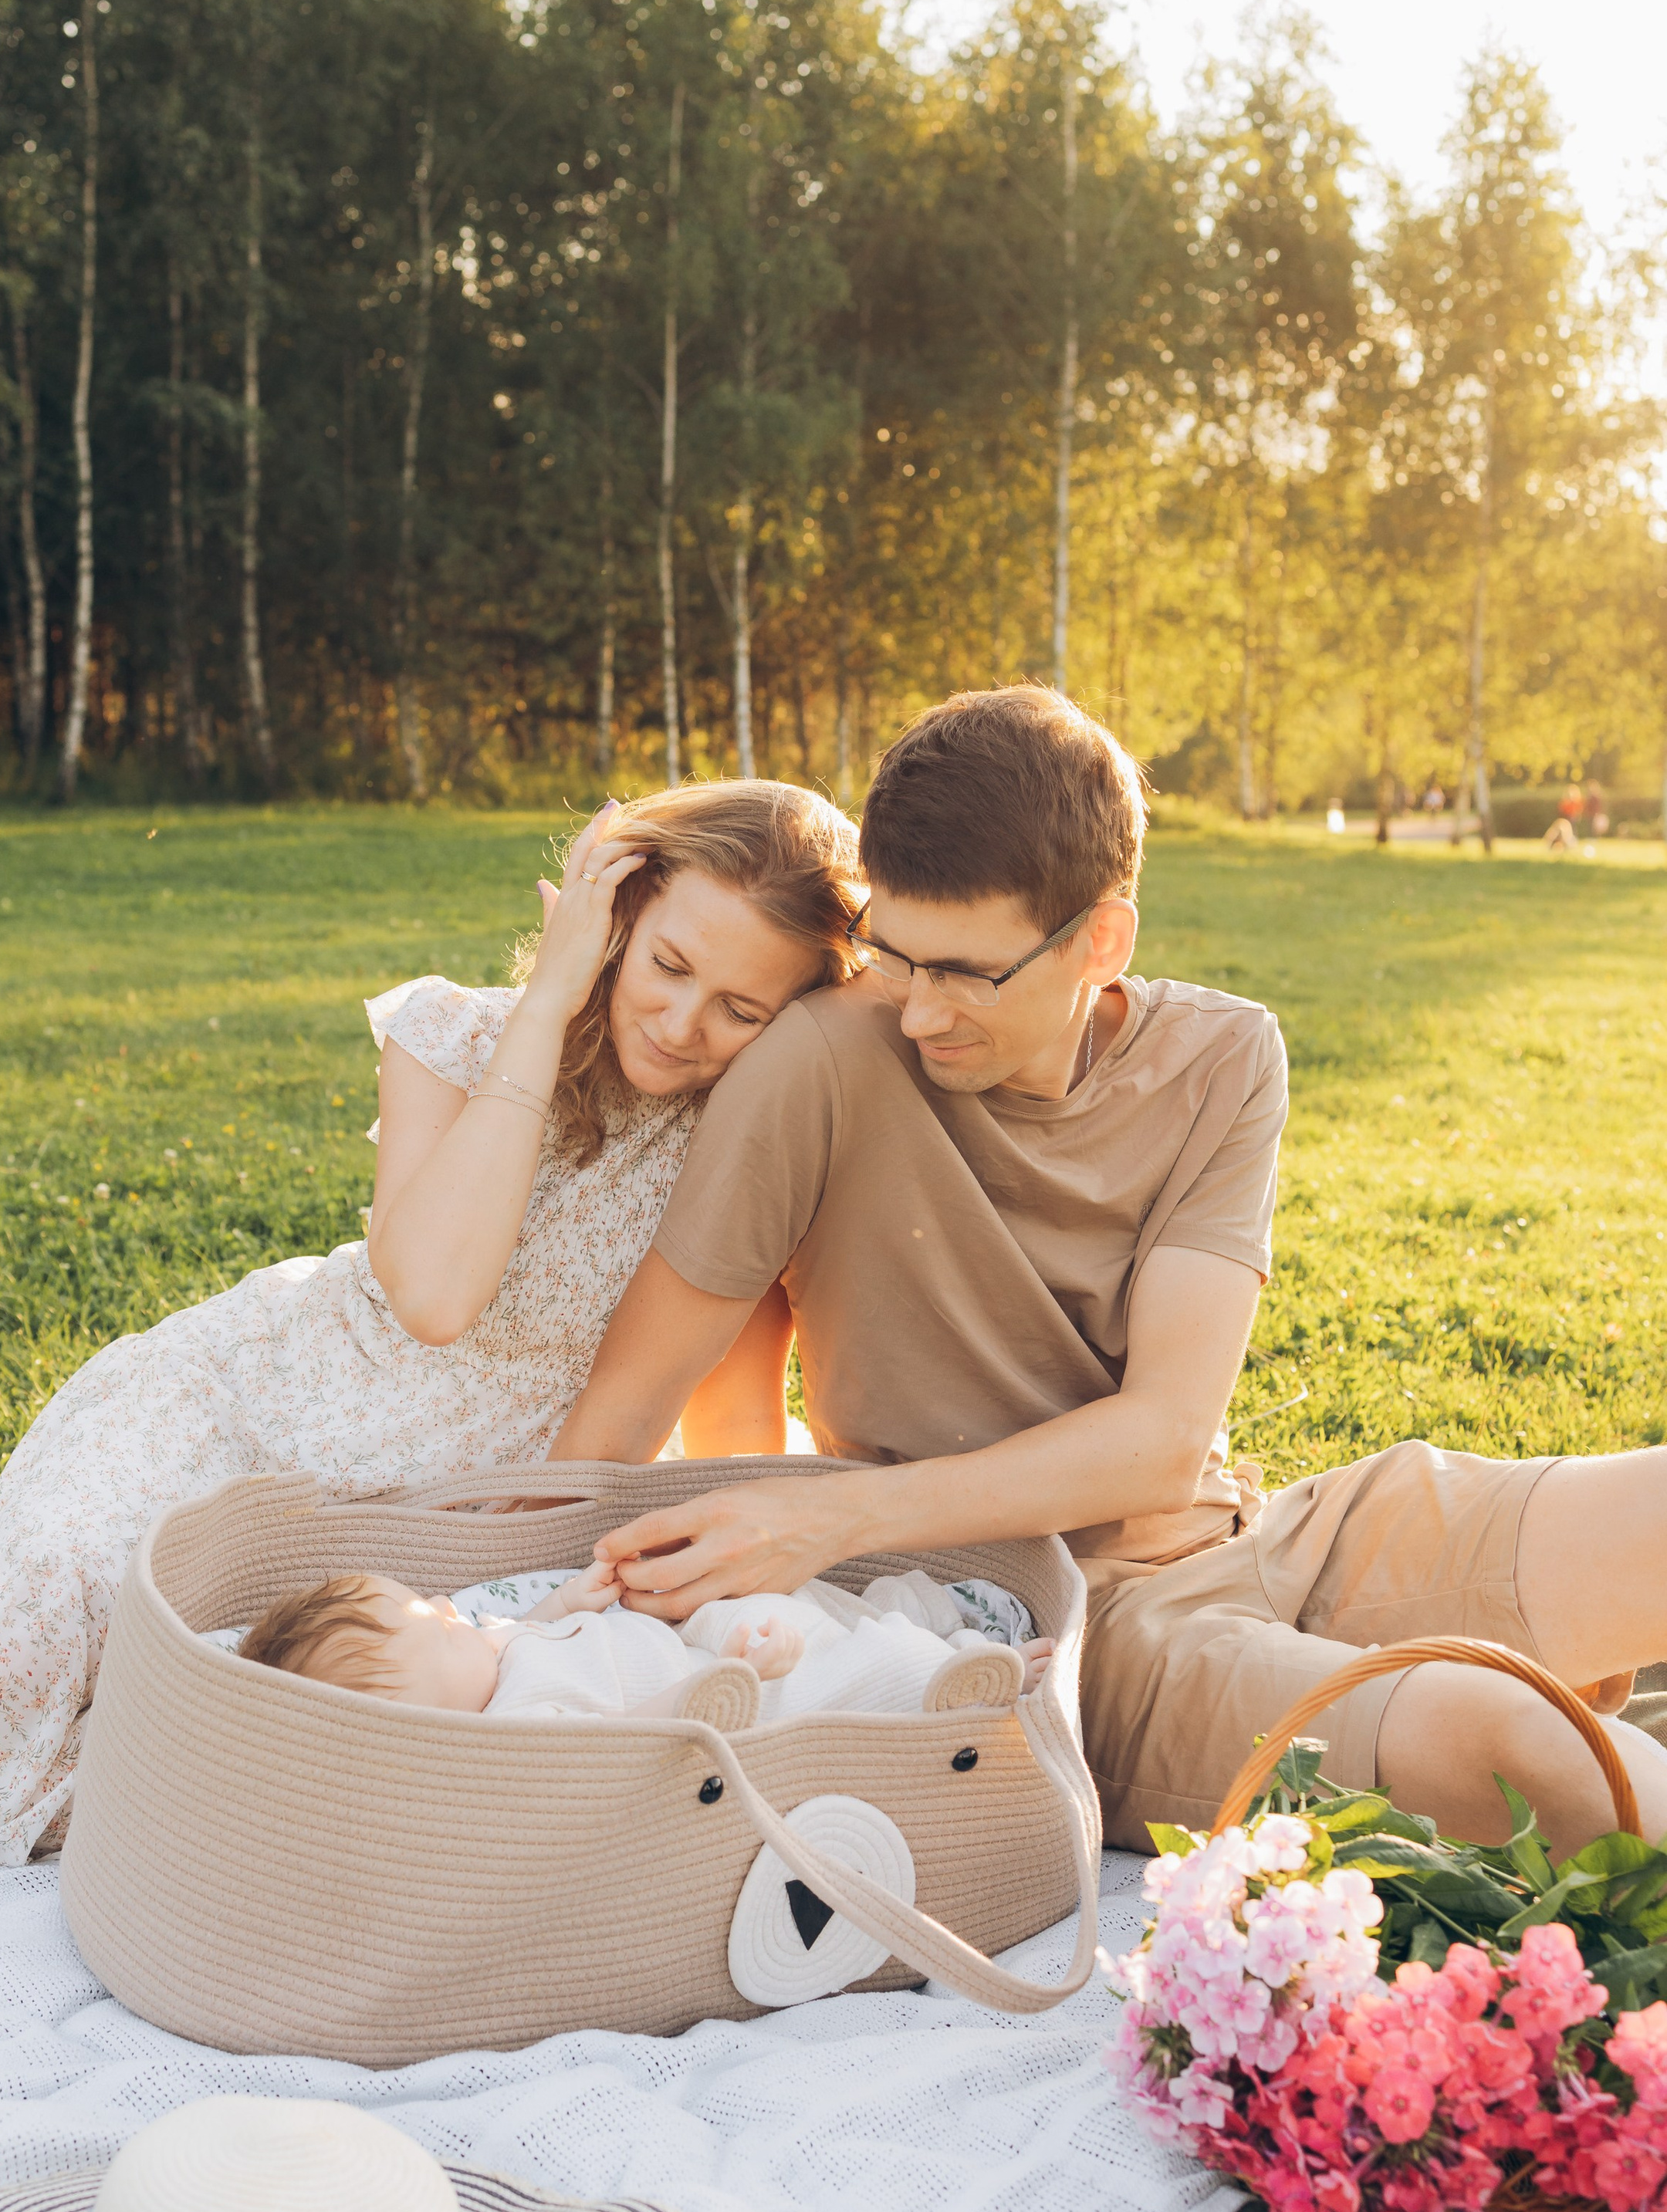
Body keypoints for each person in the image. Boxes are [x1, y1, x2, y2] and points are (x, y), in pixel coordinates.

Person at [550, 687, 1667, 1862]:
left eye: (968, 972)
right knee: (1530, 1748)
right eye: (897, 954)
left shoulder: (1226, 1054)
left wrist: (827, 1514)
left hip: (1275, 1532)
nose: (920, 1011)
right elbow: (619, 1418)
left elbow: (1161, 1442)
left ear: (1101, 940)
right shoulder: (818, 1063)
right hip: (1063, 1622)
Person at [0, 779, 861, 1863]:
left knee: (192, 1753)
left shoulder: (730, 1149)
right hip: (235, 1415)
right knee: (31, 1642)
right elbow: (437, 1296)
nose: (682, 1021)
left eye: (741, 1009)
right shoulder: (456, 1037)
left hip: (404, 1556)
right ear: (614, 916)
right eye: (664, 963)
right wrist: (550, 1004)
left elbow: (719, 1417)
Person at [235, 1559, 1035, 1723]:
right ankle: (971, 1672)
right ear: (425, 1718)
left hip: (697, 1639)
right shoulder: (515, 1732)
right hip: (742, 1703)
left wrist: (564, 1602)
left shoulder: (492, 1652)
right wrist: (724, 1679)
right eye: (433, 1625)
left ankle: (917, 1604)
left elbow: (530, 1632)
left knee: (779, 1596)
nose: (449, 1605)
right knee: (870, 1671)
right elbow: (625, 1747)